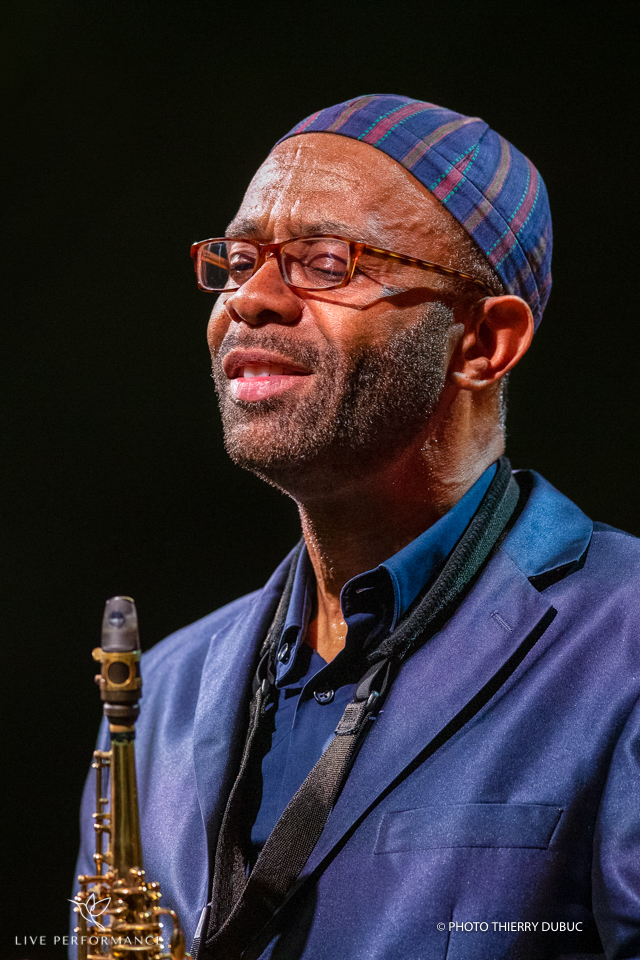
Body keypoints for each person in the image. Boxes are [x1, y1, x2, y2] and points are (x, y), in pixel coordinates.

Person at [73, 95, 640, 960]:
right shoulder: (161, 695)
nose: (251, 299)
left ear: (484, 342)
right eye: (239, 260)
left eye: (326, 262)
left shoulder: (624, 642)